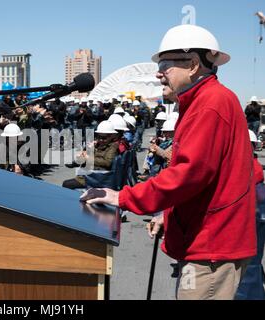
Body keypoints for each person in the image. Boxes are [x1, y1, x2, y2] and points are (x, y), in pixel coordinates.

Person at [80, 25, 256, 300]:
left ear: (194, 65)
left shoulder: (210, 103)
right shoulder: (203, 101)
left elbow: (189, 174)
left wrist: (124, 197)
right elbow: (202, 177)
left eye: (165, 64)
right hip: (207, 238)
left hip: (211, 244)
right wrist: (170, 214)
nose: (158, 72)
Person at [235, 130, 265, 300]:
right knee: (254, 262)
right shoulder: (257, 171)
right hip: (259, 210)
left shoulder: (239, 170)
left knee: (246, 266)